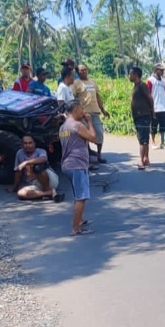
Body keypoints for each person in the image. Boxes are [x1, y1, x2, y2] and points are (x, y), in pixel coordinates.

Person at [59, 100, 97, 236]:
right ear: (75, 110)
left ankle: (79, 220)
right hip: (77, 164)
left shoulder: (63, 127)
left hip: (67, 164)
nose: (83, 112)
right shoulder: (77, 125)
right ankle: (76, 228)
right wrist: (90, 122)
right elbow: (93, 137)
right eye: (81, 109)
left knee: (77, 194)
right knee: (81, 197)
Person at [74, 64, 109, 164]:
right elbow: (73, 98)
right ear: (78, 72)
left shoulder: (93, 82)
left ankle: (99, 155)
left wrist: (103, 110)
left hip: (95, 112)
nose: (84, 71)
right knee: (85, 136)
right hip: (83, 114)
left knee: (99, 133)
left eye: (85, 70)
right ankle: (87, 157)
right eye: (81, 70)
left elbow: (98, 97)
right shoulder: (75, 83)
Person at [10, 135, 63, 202]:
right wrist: (14, 187)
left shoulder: (41, 151)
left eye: (30, 143)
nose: (28, 145)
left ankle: (47, 188)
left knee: (37, 168)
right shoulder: (19, 153)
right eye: (25, 143)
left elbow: (44, 159)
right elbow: (18, 171)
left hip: (49, 179)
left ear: (34, 144)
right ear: (22, 145)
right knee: (21, 193)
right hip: (34, 183)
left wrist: (26, 163)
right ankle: (49, 193)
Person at [129, 66, 155, 170]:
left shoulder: (142, 85)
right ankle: (146, 158)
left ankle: (141, 160)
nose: (129, 76)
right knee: (143, 137)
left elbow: (149, 97)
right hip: (138, 116)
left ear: (135, 75)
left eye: (130, 73)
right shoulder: (135, 86)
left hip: (143, 115)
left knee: (142, 139)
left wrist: (152, 110)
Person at [147, 63, 165, 148]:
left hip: (163, 107)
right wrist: (150, 107)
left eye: (163, 70)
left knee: (163, 126)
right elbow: (148, 93)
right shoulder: (150, 80)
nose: (162, 72)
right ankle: (153, 142)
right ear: (156, 70)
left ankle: (162, 142)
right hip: (155, 107)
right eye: (160, 70)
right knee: (153, 126)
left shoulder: (163, 80)